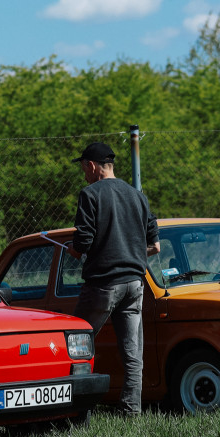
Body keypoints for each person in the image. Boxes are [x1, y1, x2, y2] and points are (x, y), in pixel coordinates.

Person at [67, 141, 160, 416]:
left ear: (92, 166)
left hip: (103, 284)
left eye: (84, 169)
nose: (84, 175)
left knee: (76, 342)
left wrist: (73, 250)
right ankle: (132, 410)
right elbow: (155, 246)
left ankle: (74, 409)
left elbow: (83, 241)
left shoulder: (90, 194)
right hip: (135, 283)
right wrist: (128, 251)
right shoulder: (138, 196)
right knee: (133, 355)